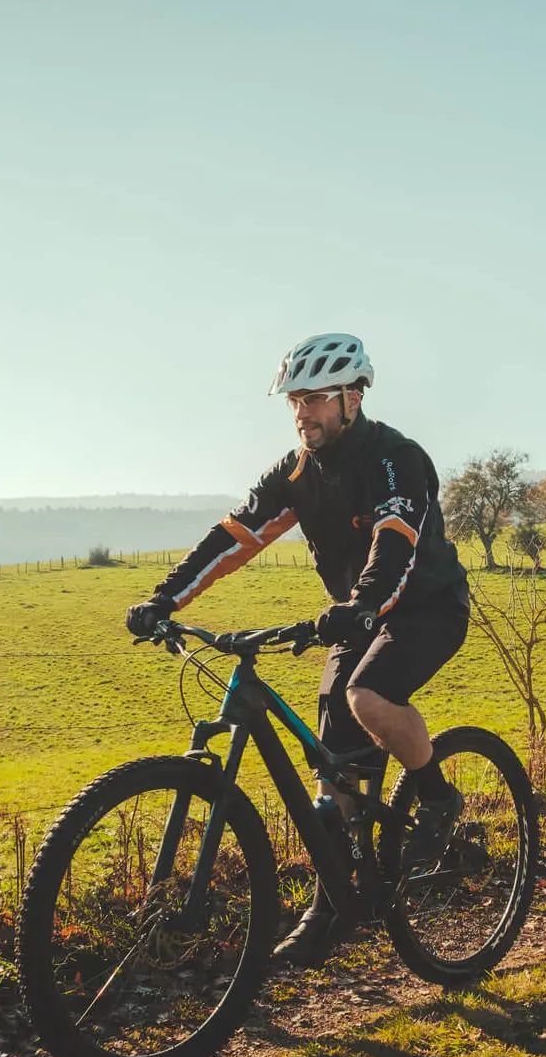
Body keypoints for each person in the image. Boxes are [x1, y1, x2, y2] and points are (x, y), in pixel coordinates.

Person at [125, 332, 471, 962]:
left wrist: (362, 605)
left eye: (313, 399)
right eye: (294, 401)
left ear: (351, 398)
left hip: (424, 607)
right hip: (354, 617)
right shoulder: (295, 474)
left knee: (367, 697)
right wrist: (166, 599)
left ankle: (438, 797)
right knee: (332, 765)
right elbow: (234, 536)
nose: (302, 412)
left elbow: (394, 543)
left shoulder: (397, 459)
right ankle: (335, 904)